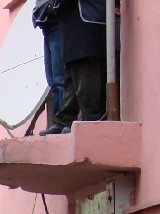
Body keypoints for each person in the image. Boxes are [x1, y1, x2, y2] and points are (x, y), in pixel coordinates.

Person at [43, 0, 110, 134]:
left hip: (87, 22)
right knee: (71, 76)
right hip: (74, 22)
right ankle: (64, 120)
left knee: (85, 77)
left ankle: (90, 121)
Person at [33, 0, 65, 134]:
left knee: (60, 79)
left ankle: (63, 122)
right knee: (53, 81)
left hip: (58, 25)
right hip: (47, 28)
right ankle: (59, 122)